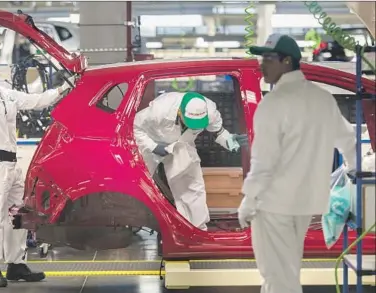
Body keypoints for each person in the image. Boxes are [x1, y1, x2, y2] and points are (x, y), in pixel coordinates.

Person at [237, 34, 356, 293]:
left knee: (277, 276)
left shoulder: (273, 104)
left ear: (287, 61)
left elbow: (263, 162)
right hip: (306, 203)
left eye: (268, 58)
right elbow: (348, 139)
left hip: (273, 203)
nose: (261, 65)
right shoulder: (322, 98)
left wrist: (249, 199)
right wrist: (355, 167)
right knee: (288, 269)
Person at [0, 25, 73, 288]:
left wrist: (63, 89)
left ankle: (15, 264)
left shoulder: (4, 93)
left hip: (12, 164)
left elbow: (36, 101)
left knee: (18, 216)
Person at [134, 91, 248, 231]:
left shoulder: (210, 111)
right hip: (151, 141)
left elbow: (218, 132)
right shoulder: (160, 109)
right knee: (139, 184)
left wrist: (231, 141)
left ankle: (196, 229)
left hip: (182, 144)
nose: (194, 127)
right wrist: (153, 146)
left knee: (192, 187)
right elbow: (135, 127)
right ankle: (132, 224)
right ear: (180, 113)